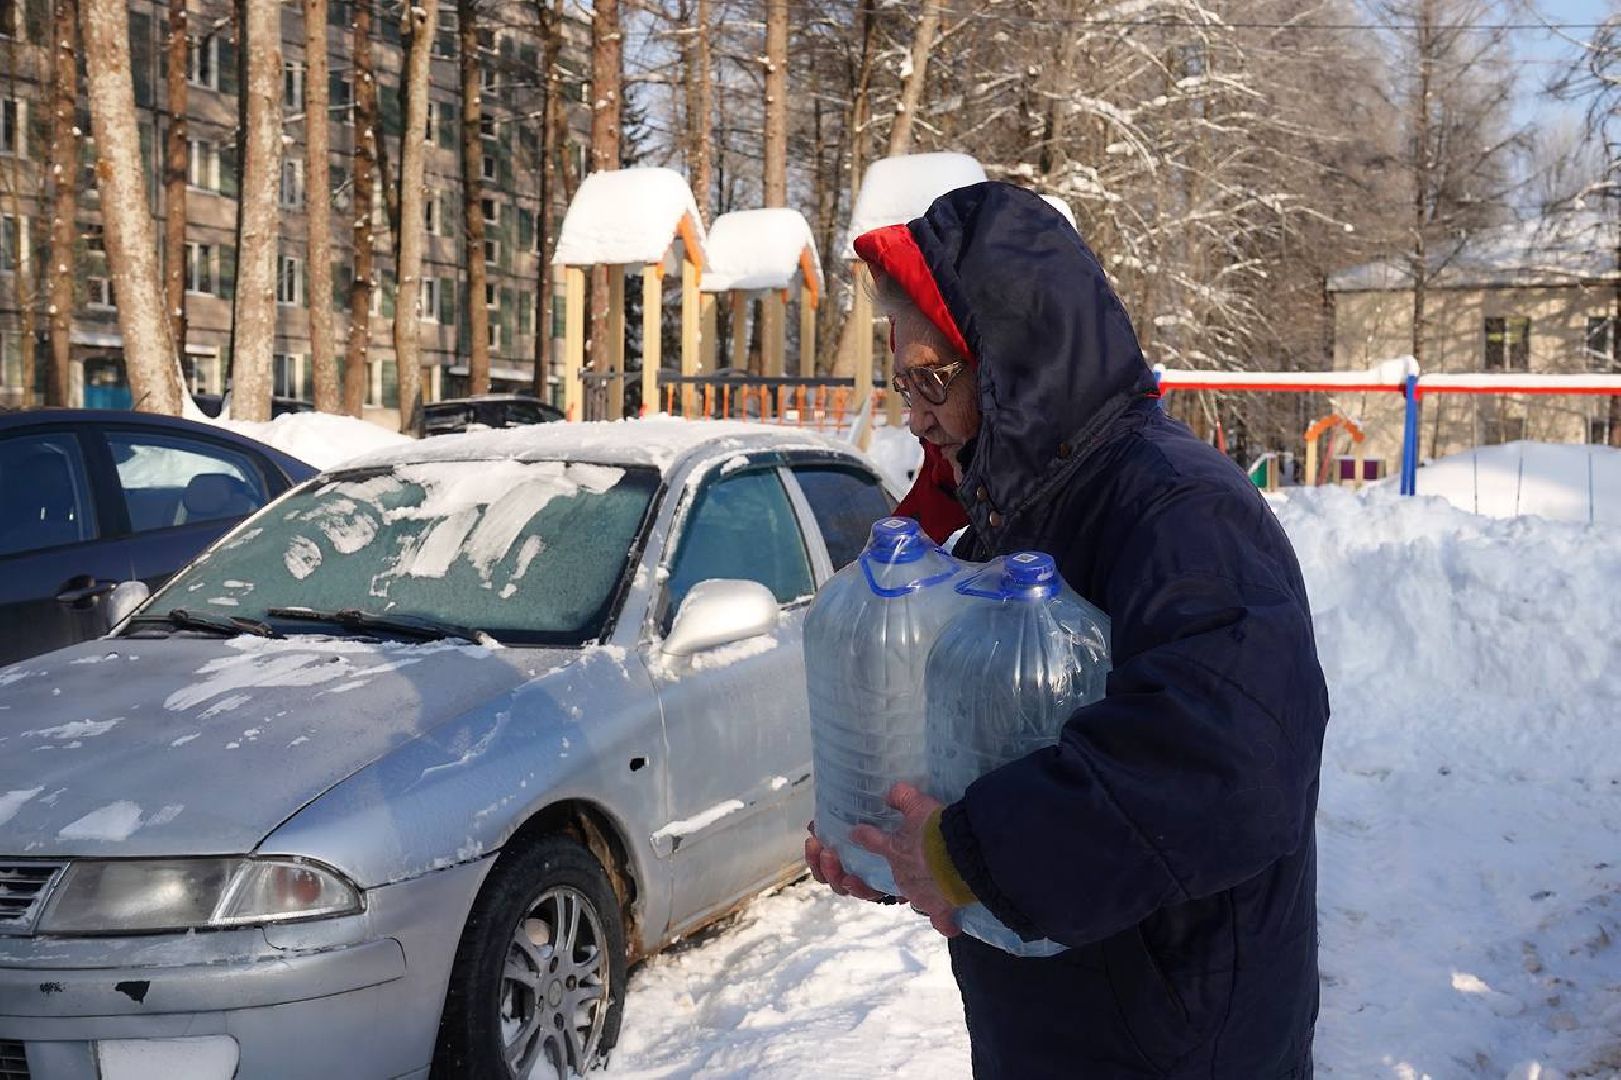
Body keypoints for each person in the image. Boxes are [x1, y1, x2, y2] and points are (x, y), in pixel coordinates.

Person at [804, 182, 1329, 1079]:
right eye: (904, 386)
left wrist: (967, 853)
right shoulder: (1009, 521)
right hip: (1062, 1018)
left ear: (1016, 360)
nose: (917, 415)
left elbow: (1226, 761)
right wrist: (910, 851)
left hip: (1176, 1035)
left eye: (934, 379)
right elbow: (999, 749)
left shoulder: (1177, 510)